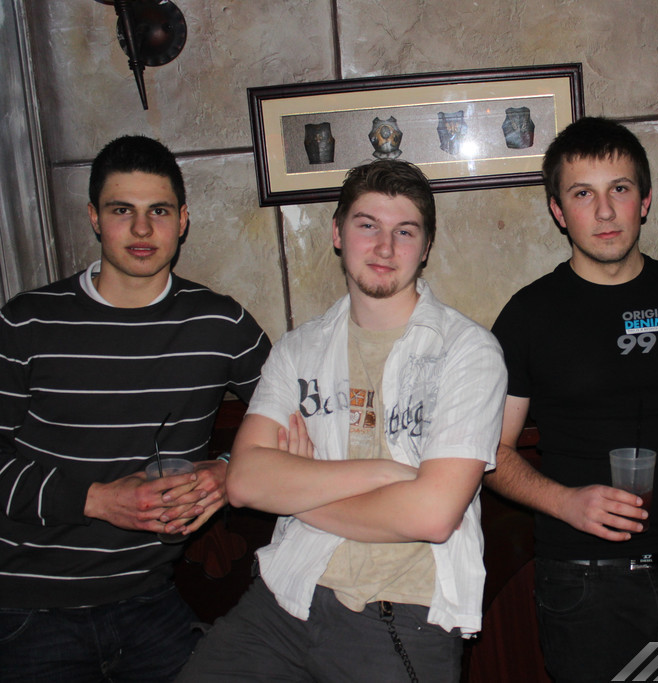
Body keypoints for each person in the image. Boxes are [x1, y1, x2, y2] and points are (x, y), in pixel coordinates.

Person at [179, 159, 507, 682]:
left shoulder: (467, 352)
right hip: (287, 593)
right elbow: (243, 482)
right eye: (367, 225)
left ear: (425, 247)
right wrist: (383, 473)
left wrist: (297, 491)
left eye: (405, 232)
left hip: (401, 611)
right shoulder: (297, 350)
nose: (384, 247)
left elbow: (432, 515)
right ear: (337, 233)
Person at [0, 135, 271, 681]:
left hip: (152, 603)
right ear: (95, 219)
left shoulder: (219, 324)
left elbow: (301, 417)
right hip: (26, 609)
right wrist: (98, 500)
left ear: (183, 220)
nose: (142, 230)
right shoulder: (28, 321)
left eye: (159, 211)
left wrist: (228, 473)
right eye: (122, 210)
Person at [487, 116, 658, 682]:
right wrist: (565, 502)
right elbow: (490, 455)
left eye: (619, 190)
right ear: (558, 211)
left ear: (644, 201)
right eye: (583, 194)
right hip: (587, 586)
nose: (604, 212)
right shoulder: (529, 315)